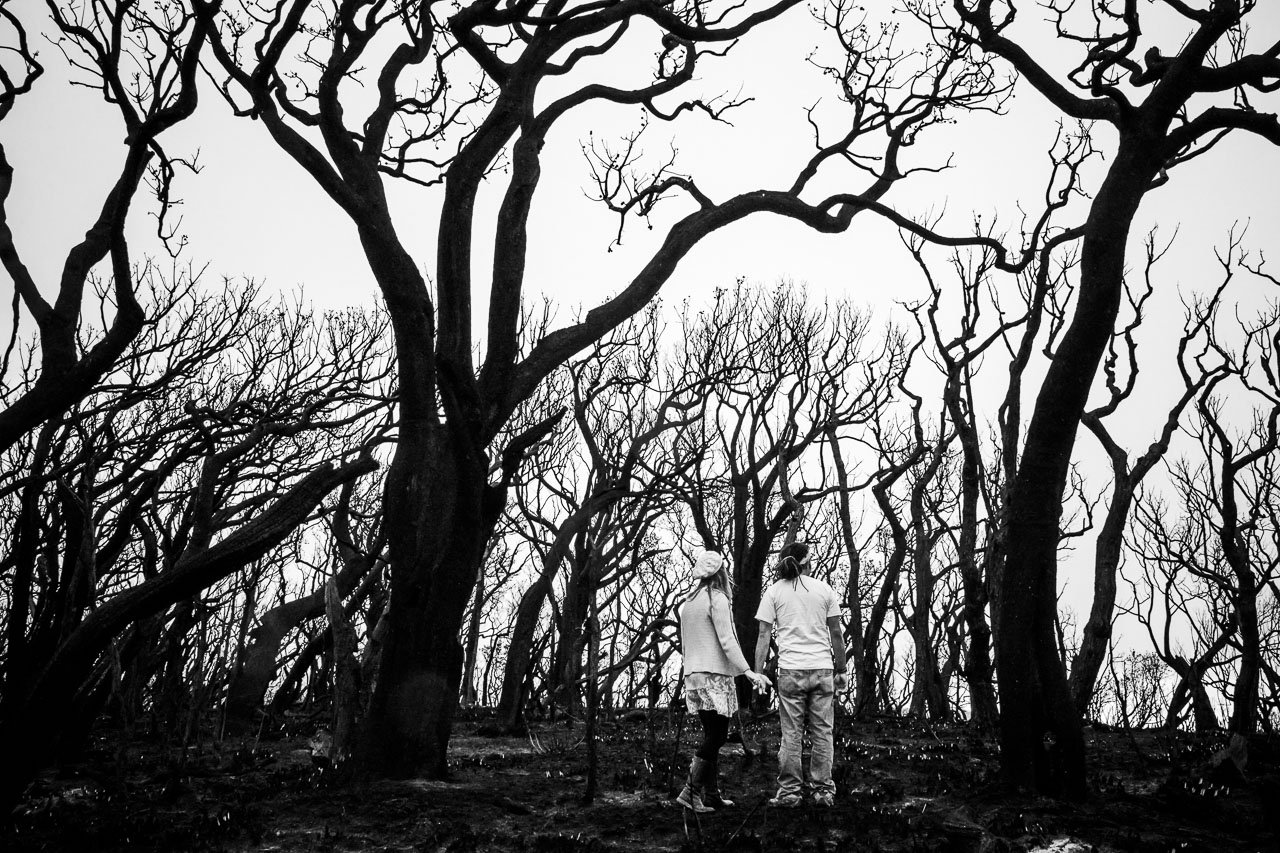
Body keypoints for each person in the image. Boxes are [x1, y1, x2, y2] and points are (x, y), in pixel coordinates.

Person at [677, 548, 772, 813]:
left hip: (694, 674)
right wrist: (748, 671)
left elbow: (687, 643)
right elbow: (727, 641)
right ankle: (690, 791)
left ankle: (712, 795)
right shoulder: (716, 599)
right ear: (721, 573)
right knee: (717, 736)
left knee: (712, 735)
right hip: (714, 675)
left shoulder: (689, 602)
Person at [754, 541, 847, 807]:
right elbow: (836, 634)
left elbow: (763, 635)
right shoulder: (824, 590)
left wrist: (758, 673)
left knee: (791, 733)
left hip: (791, 671)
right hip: (822, 669)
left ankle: (790, 793)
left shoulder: (773, 592)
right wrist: (841, 669)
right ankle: (822, 791)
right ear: (806, 562)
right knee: (822, 732)